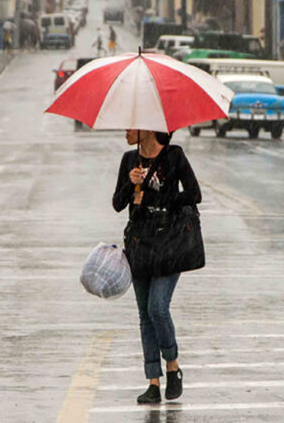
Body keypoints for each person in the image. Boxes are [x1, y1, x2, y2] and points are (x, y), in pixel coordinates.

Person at [112, 130, 202, 404]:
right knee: (144, 315)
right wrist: (131, 184)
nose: (125, 131)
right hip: (140, 245)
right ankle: (153, 381)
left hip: (169, 244)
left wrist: (163, 201)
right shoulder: (129, 160)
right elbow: (117, 204)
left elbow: (194, 194)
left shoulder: (173, 156)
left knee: (157, 308)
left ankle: (172, 366)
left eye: (130, 126)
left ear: (146, 129)